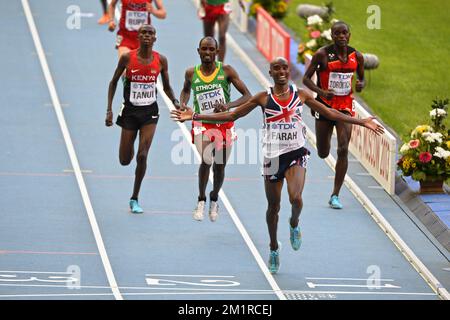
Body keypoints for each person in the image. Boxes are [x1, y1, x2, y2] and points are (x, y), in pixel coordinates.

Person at [171, 57, 384, 274]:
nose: (281, 71)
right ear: (271, 72)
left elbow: (330, 112)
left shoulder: (300, 94)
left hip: (296, 153)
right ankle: (273, 247)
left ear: (288, 72)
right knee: (273, 207)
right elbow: (233, 114)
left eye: (285, 68)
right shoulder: (263, 98)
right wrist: (195, 116)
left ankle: (294, 223)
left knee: (296, 198)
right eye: (277, 69)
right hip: (272, 158)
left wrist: (362, 122)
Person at [105, 24, 180, 213]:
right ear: (138, 37)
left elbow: (167, 87)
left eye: (151, 33)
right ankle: (128, 147)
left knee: (143, 155)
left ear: (155, 38)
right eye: (144, 33)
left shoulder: (161, 60)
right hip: (129, 112)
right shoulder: (127, 58)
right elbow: (113, 82)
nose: (147, 36)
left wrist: (176, 102)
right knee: (125, 160)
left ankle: (134, 198)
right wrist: (109, 110)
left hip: (150, 113)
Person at [180, 36, 251, 222]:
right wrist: (182, 104)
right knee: (206, 159)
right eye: (204, 49)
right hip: (202, 124)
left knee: (220, 168)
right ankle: (201, 199)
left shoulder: (226, 71)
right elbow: (186, 90)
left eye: (211, 49)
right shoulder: (190, 73)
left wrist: (228, 105)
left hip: (224, 124)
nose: (208, 53)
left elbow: (247, 96)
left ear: (217, 52)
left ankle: (214, 198)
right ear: (198, 51)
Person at [302, 21, 365, 210]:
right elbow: (305, 79)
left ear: (349, 35)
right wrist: (321, 92)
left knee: (343, 148)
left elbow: (361, 77)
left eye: (344, 33)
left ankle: (335, 194)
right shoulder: (322, 54)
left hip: (345, 106)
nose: (341, 36)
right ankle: (323, 145)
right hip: (324, 106)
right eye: (337, 33)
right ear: (332, 36)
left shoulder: (357, 56)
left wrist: (361, 84)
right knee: (323, 152)